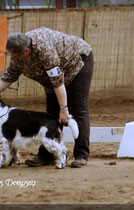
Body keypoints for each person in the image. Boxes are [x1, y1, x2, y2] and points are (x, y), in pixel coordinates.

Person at [1, 27, 94, 168]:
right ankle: (47, 155)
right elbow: (8, 77)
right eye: (12, 55)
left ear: (26, 51)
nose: (14, 58)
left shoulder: (45, 50)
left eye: (16, 56)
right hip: (51, 79)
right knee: (51, 112)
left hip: (77, 65)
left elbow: (57, 81)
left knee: (77, 109)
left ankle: (81, 155)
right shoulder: (17, 55)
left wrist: (64, 108)